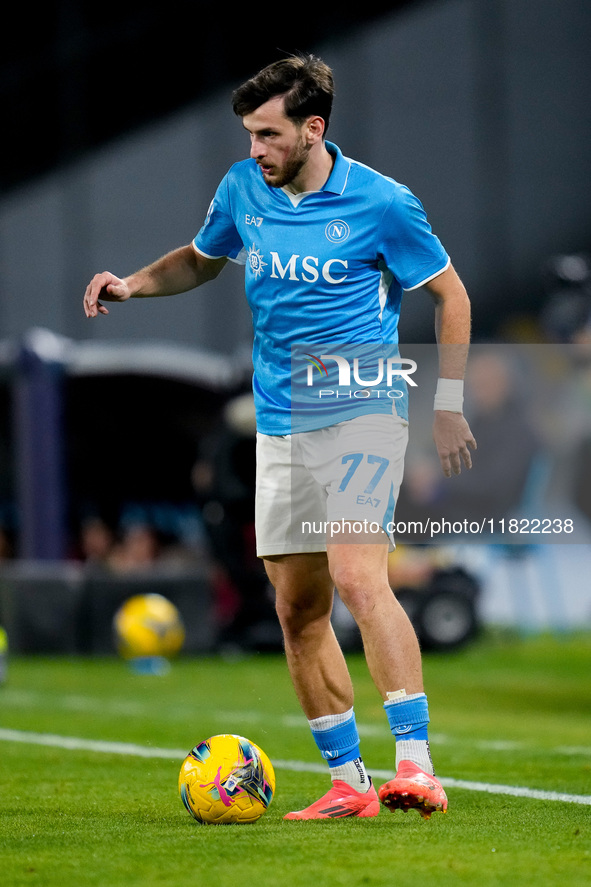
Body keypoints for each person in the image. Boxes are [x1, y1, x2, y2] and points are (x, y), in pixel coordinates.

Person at [84, 53, 476, 820]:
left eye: (267, 134)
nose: (254, 149)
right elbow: (200, 260)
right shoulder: (242, 190)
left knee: (360, 579)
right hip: (280, 421)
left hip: (364, 408)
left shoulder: (384, 203)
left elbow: (448, 294)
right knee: (296, 607)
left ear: (312, 128)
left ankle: (416, 766)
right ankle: (349, 783)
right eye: (248, 135)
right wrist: (131, 284)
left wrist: (450, 401)